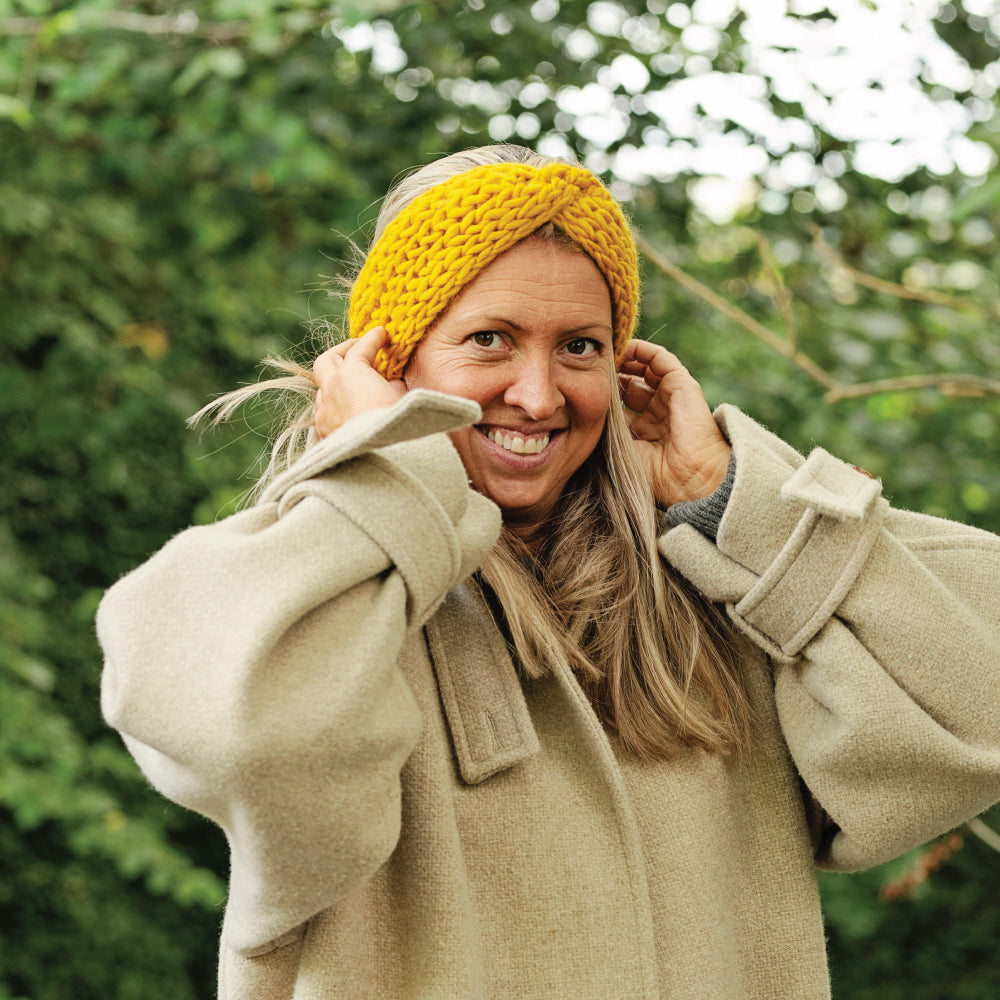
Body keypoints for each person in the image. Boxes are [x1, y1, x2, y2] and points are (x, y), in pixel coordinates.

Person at [97, 144, 1000, 1000]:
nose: (537, 394)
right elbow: (246, 739)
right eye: (488, 339)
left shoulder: (718, 593)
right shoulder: (314, 595)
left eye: (580, 346)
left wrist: (734, 499)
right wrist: (384, 479)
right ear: (386, 360)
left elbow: (982, 699)